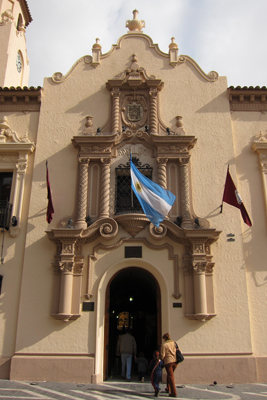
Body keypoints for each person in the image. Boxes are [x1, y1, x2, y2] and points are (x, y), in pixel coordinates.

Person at [160, 332, 179, 398]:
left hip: (168, 362)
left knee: (171, 376)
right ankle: (168, 388)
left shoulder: (164, 345)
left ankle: (174, 392)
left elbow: (163, 355)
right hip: (175, 361)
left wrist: (160, 359)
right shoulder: (174, 343)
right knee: (170, 374)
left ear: (165, 338)